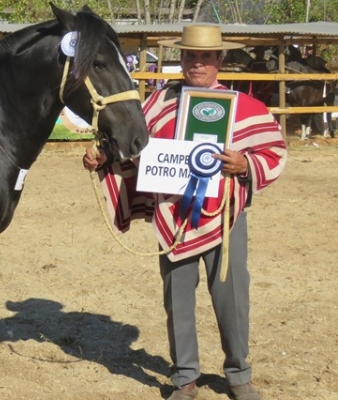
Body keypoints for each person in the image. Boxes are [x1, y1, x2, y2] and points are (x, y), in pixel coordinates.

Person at [83, 25, 287, 400]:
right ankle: (185, 377)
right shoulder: (157, 104)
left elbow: (274, 150)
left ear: (219, 61)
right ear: (181, 59)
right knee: (177, 299)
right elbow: (134, 147)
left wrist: (245, 164)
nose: (198, 63)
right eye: (191, 56)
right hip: (172, 216)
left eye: (206, 57)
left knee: (232, 297)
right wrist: (103, 158)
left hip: (224, 215)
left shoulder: (244, 108)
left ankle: (238, 373)